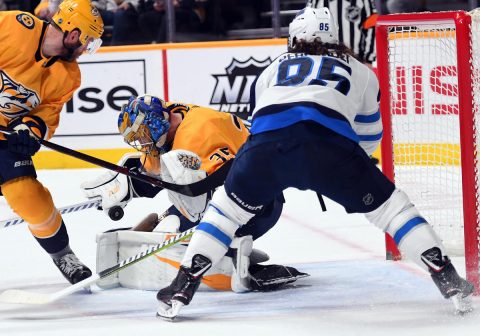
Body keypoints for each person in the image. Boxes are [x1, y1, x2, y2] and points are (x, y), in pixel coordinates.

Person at [155, 7, 475, 320]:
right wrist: (341, 171)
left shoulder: (271, 69)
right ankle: (448, 278)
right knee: (394, 212)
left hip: (266, 149)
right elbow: (368, 137)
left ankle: (180, 288)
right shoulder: (361, 70)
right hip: (331, 149)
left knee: (224, 214)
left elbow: (263, 124)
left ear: (293, 39)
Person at [81, 94, 307, 292]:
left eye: (141, 134)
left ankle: (229, 256)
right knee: (171, 222)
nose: (140, 141)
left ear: (154, 124)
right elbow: (160, 171)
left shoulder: (197, 133)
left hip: (260, 202)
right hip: (231, 188)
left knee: (183, 224)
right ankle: (218, 250)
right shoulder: (167, 118)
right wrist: (127, 185)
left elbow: (198, 186)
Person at [0, 0, 103, 284]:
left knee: (29, 199)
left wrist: (30, 130)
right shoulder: (13, 26)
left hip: (3, 138)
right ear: (73, 34)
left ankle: (62, 255)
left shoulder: (68, 76)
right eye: (88, 42)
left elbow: (47, 113)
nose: (85, 51)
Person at [307, 0, 378, 65]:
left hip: (356, 61)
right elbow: (308, 28)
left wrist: (368, 59)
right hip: (324, 60)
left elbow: (372, 27)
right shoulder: (316, 1)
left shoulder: (364, 1)